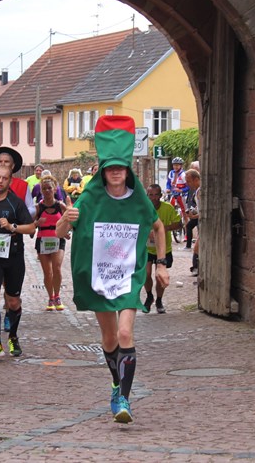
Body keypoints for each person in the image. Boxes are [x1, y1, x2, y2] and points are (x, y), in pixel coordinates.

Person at [56, 115, 168, 424]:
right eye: (111, 168)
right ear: (104, 170)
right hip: (98, 275)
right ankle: (116, 383)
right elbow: (59, 230)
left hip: (128, 275)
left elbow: (157, 227)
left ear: (127, 170)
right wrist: (69, 217)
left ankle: (124, 399)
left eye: (121, 168)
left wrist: (160, 264)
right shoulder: (90, 196)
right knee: (108, 338)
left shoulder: (139, 198)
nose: (116, 173)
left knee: (124, 331)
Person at [0, 164, 36, 358]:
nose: (0, 181)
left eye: (4, 178)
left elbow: (31, 228)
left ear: (10, 181)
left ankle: (13, 337)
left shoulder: (16, 203)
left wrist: (12, 226)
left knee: (13, 301)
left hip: (13, 257)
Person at [144, 184, 182, 313]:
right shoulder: (142, 208)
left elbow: (178, 224)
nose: (154, 198)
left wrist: (162, 229)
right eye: (151, 195)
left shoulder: (168, 208)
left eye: (156, 195)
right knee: (146, 274)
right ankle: (149, 296)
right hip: (146, 248)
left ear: (161, 195)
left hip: (163, 248)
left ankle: (159, 300)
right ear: (147, 196)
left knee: (159, 276)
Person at [34, 174, 69, 311]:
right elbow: (31, 226)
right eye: (44, 189)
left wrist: (66, 232)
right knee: (47, 272)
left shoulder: (60, 206)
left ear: (55, 189)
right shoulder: (38, 207)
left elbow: (70, 221)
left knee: (57, 268)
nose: (47, 191)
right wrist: (37, 222)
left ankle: (58, 295)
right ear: (41, 191)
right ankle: (50, 297)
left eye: (49, 188)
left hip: (57, 239)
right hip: (42, 240)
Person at [0, 147, 36, 216]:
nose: (3, 164)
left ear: (13, 165)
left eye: (6, 162)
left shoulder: (23, 186)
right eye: (0, 161)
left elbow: (31, 208)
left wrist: (19, 216)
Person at [165, 157, 189, 222]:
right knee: (170, 208)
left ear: (181, 166)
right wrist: (167, 188)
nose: (175, 167)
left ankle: (186, 227)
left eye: (177, 165)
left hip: (182, 195)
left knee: (184, 211)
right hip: (173, 194)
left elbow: (188, 187)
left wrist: (181, 190)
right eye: (174, 165)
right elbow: (168, 183)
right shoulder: (171, 173)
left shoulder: (184, 175)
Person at [184, 169, 201, 251]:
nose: (187, 184)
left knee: (197, 250)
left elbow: (205, 212)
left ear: (196, 179)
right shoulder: (197, 191)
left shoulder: (200, 192)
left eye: (189, 181)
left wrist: (194, 216)